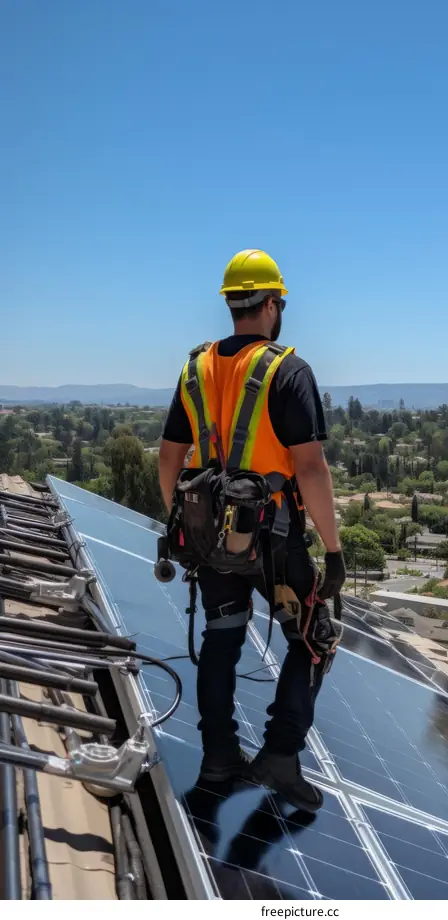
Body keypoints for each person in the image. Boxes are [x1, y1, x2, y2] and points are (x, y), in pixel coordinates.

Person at [159, 249, 346, 812]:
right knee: (314, 637)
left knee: (222, 638)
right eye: (279, 302)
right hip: (274, 538)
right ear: (270, 303)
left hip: (210, 541)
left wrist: (181, 524)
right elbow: (309, 467)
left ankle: (219, 758)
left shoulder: (196, 368)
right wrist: (333, 550)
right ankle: (280, 758)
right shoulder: (288, 370)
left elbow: (170, 455)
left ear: (230, 304)